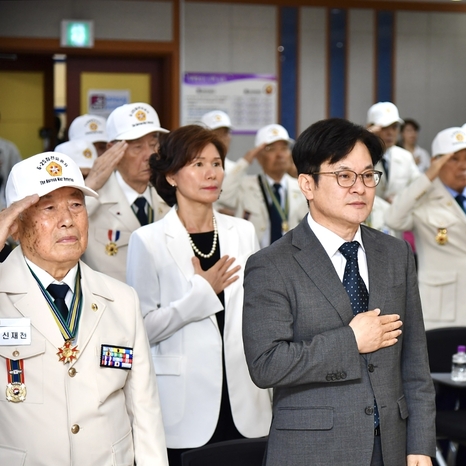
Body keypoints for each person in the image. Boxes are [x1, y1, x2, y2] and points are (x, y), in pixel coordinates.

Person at [242, 118, 436, 466]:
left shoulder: (394, 254)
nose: (359, 188)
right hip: (314, 451)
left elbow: (416, 363)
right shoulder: (271, 265)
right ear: (307, 184)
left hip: (391, 446)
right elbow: (266, 365)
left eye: (367, 175)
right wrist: (350, 341)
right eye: (343, 176)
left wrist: (420, 445)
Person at [0, 152, 167, 465]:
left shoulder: (121, 299)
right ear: (15, 225)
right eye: (48, 207)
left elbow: (145, 410)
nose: (67, 219)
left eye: (76, 205)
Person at [125, 126, 272, 464]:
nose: (211, 174)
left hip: (245, 398)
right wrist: (202, 294)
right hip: (183, 405)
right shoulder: (148, 240)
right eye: (197, 164)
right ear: (172, 176)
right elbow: (141, 329)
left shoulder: (243, 231)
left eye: (217, 163)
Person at [386, 127, 466, 330]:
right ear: (437, 162)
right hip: (443, 316)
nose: (464, 166)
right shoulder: (423, 199)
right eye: (454, 159)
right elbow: (393, 218)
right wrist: (427, 178)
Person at [81, 102, 170, 282]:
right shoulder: (93, 200)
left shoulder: (168, 195)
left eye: (153, 144)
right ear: (112, 151)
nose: (149, 155)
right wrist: (90, 186)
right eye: (137, 147)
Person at [217, 123, 307, 248]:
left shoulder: (302, 187)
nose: (279, 155)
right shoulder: (246, 186)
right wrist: (245, 161)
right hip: (255, 258)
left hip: (292, 261)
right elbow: (222, 196)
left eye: (284, 148)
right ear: (258, 156)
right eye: (271, 149)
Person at [367, 102, 421, 204]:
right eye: (384, 127)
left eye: (394, 127)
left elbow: (418, 187)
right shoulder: (361, 157)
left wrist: (402, 199)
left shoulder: (405, 157)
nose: (390, 133)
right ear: (371, 128)